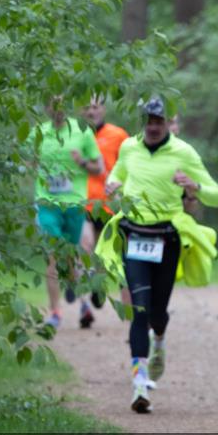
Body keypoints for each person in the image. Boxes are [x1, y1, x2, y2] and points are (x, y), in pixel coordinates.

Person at [103, 97, 218, 413]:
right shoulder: (129, 147)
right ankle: (139, 384)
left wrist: (193, 185)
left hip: (167, 238)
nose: (153, 126)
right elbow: (116, 174)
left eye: (159, 121)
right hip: (134, 233)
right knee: (138, 309)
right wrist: (112, 184)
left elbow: (216, 196)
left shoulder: (184, 152)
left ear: (169, 123)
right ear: (142, 122)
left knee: (158, 311)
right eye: (149, 121)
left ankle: (159, 340)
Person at [33, 95, 104, 330]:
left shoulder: (82, 131)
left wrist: (82, 162)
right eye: (53, 104)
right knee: (52, 257)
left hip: (74, 204)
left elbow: (99, 168)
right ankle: (55, 312)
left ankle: (83, 302)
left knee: (73, 257)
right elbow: (28, 162)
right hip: (48, 204)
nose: (58, 109)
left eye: (62, 103)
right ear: (46, 107)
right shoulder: (38, 133)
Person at [80, 95, 131, 315]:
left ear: (104, 109)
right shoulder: (76, 135)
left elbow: (130, 165)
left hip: (109, 203)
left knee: (105, 252)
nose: (92, 112)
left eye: (96, 107)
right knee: (86, 246)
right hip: (83, 202)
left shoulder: (118, 135)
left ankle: (98, 284)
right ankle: (93, 278)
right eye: (87, 107)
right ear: (82, 112)